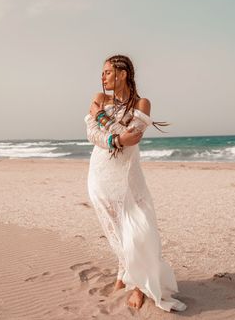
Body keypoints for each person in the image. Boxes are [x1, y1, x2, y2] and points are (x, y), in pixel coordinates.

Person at [84, 55, 186, 312]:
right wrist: (113, 139)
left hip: (128, 174)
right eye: (103, 72)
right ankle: (124, 271)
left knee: (139, 228)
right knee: (115, 228)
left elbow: (132, 137)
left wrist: (104, 121)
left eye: (107, 72)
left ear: (123, 74)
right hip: (100, 172)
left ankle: (140, 285)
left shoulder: (142, 103)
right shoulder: (99, 97)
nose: (103, 77)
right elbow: (93, 135)